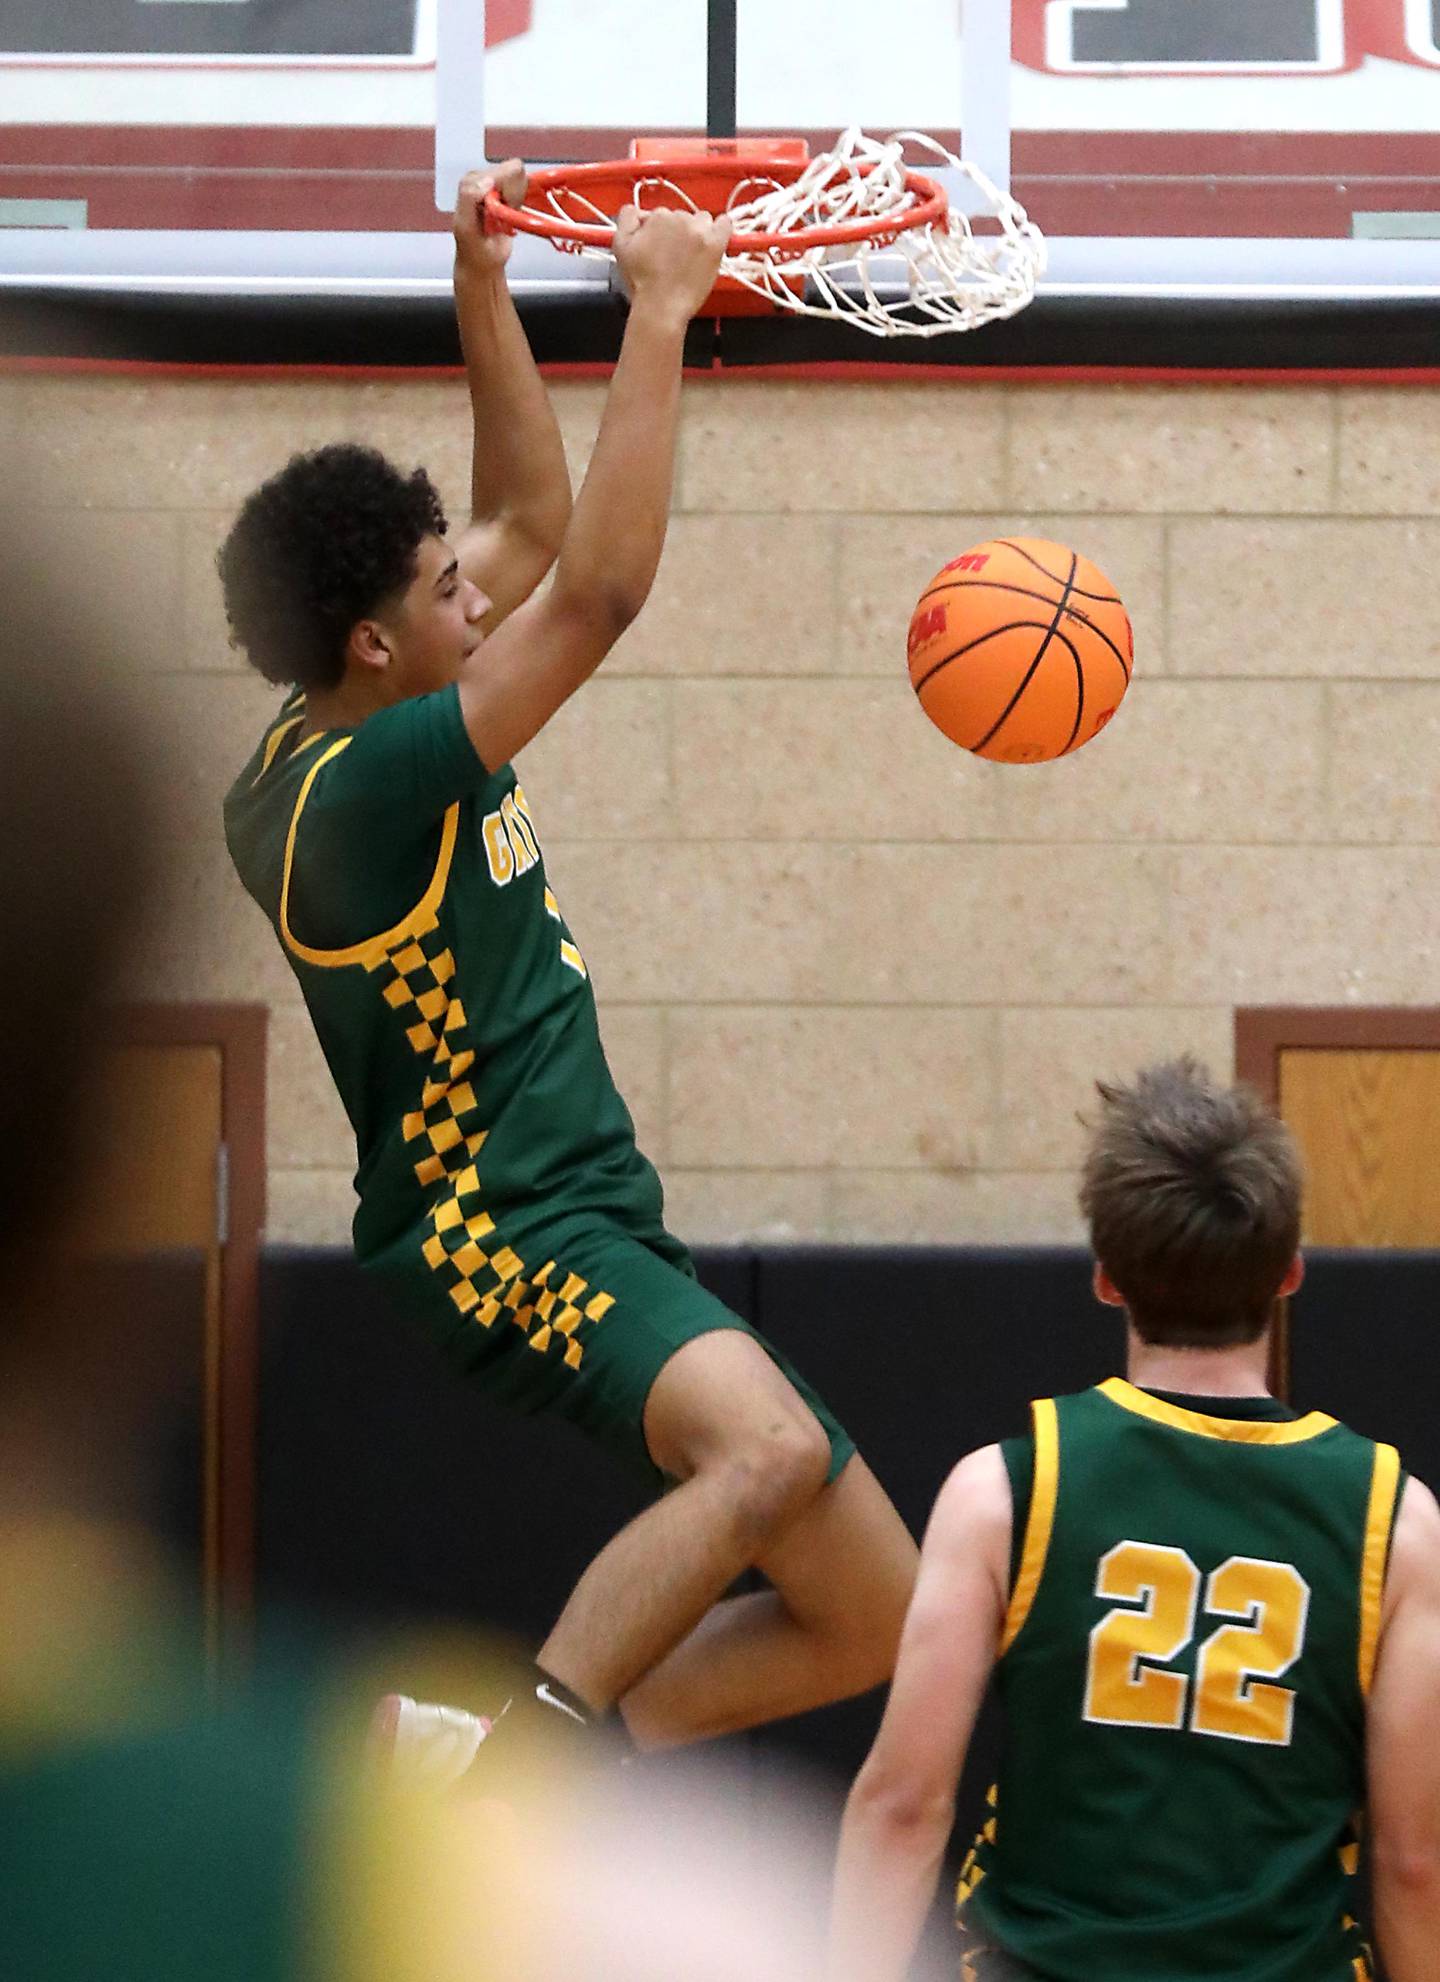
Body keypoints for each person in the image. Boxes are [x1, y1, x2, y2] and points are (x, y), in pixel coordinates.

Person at [219, 163, 917, 1769]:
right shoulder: (361, 799)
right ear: (377, 649)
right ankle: (500, 1778)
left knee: (869, 1606)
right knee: (759, 1452)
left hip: (590, 1204)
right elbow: (594, 583)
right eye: (445, 594)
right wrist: (660, 312)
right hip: (496, 1226)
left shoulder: (359, 694)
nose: (481, 592)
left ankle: (535, 1760)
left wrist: (484, 281)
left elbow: (532, 523)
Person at [830, 1057, 1440, 1982]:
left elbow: (904, 1808)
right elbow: (1412, 1861)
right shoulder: (1397, 1522)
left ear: (1107, 1279)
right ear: (1289, 1273)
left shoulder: (1003, 1490)